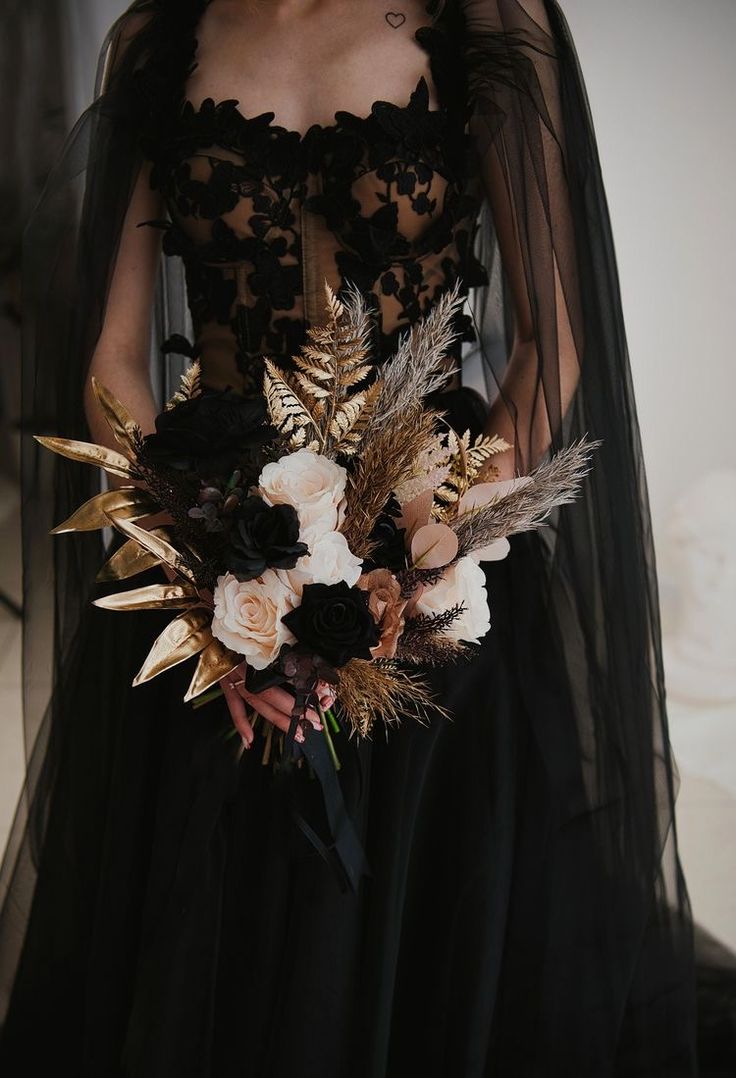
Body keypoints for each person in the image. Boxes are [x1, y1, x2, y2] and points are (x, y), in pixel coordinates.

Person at [0, 1, 699, 1074]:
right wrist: (209, 594)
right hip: (217, 584)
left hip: (436, 599)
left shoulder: (484, 22)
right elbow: (114, 361)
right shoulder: (162, 33)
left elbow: (555, 341)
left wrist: (426, 560)